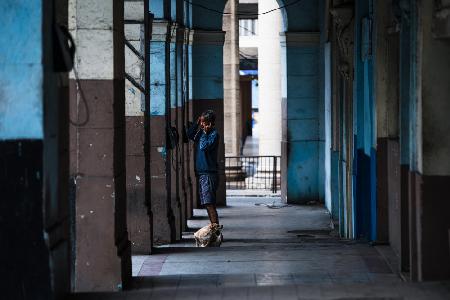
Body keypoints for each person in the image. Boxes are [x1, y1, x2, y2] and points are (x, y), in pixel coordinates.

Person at [187, 110, 220, 226]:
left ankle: (215, 229)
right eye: (201, 122)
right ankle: (214, 227)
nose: (202, 125)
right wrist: (196, 123)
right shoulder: (201, 132)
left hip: (209, 174)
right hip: (203, 173)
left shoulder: (213, 135)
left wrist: (205, 133)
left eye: (203, 122)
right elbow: (189, 135)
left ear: (210, 123)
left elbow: (203, 146)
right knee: (207, 203)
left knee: (209, 203)